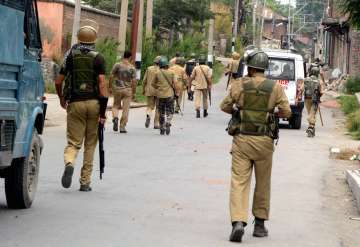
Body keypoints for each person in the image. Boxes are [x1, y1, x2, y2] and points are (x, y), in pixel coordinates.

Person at [220, 50, 291, 243]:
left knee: (239, 181)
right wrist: (271, 113)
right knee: (263, 182)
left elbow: (224, 106)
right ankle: (259, 225)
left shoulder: (239, 85)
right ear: (264, 68)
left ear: (250, 67)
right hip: (264, 141)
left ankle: (238, 222)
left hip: (242, 140)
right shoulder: (275, 87)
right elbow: (286, 111)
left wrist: (238, 109)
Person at [55, 25, 108, 192]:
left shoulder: (70, 57)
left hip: (75, 103)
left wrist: (62, 98)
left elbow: (58, 81)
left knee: (73, 142)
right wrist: (103, 111)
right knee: (90, 144)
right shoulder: (99, 58)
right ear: (94, 40)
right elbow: (101, 84)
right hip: (94, 104)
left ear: (79, 39)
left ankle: (70, 162)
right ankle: (85, 182)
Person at [109, 51, 136, 134]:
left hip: (117, 89)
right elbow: (134, 81)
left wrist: (110, 86)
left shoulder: (117, 65)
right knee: (126, 109)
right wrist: (134, 92)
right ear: (130, 57)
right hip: (127, 90)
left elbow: (111, 76)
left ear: (123, 56)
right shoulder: (132, 68)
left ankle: (115, 118)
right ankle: (122, 127)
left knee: (116, 105)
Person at [151, 57, 179, 135]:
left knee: (161, 111)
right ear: (167, 65)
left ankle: (162, 126)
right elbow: (176, 84)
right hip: (170, 95)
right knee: (170, 110)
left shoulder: (157, 73)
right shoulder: (172, 73)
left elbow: (153, 84)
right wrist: (177, 93)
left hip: (160, 95)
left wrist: (159, 88)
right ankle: (168, 122)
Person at [304, 66, 324, 137]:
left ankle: (311, 127)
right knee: (312, 114)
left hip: (307, 99)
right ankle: (311, 127)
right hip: (315, 100)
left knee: (310, 113)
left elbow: (302, 89)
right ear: (317, 73)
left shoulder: (306, 79)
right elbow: (321, 92)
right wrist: (319, 96)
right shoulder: (319, 81)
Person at [143, 56, 161, 129]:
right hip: (159, 91)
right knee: (158, 107)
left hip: (150, 90)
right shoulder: (161, 70)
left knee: (149, 106)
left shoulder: (149, 68)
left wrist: (144, 89)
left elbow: (144, 80)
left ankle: (148, 115)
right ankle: (156, 124)